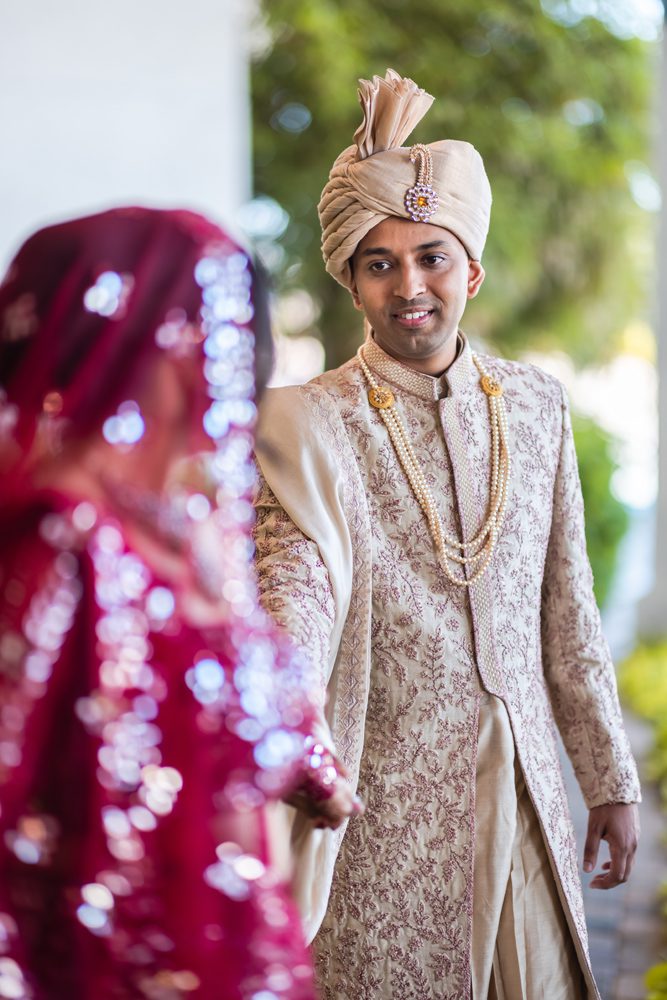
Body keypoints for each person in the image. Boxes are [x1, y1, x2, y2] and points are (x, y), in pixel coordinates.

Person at [252, 70, 641, 999]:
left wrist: (610, 781)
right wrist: (279, 711)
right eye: (379, 263)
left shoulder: (538, 406)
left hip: (529, 793)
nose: (409, 285)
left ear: (469, 268)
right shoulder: (308, 424)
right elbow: (291, 583)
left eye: (431, 257)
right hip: (381, 805)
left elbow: (566, 614)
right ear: (351, 281)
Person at [0, 206, 356, 999]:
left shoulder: (176, 524)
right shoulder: (59, 542)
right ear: (150, 341)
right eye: (205, 332)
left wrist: (315, 763)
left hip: (227, 948)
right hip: (110, 967)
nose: (220, 368)